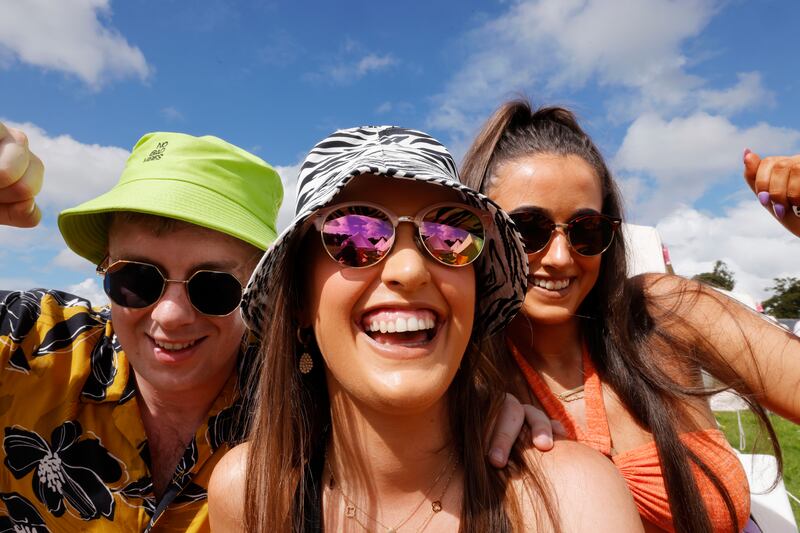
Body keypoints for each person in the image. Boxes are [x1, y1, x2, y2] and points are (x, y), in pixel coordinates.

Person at [208, 126, 644, 532]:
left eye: (450, 235)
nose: (409, 269)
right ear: (301, 300)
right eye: (353, 235)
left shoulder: (573, 499)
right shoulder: (252, 495)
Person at [460, 100, 800, 533]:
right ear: (481, 231)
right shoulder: (464, 379)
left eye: (587, 231)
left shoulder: (660, 315)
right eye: (528, 229)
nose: (561, 258)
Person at [0, 123, 283, 531]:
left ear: (261, 288)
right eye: (136, 279)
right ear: (105, 266)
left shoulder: (305, 403)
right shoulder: (28, 340)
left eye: (214, 286)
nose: (170, 315)